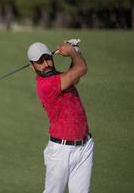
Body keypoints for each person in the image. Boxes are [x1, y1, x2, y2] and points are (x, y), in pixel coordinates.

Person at [27, 41, 94, 193]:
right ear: (32, 66)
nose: (46, 64)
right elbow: (82, 68)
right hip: (61, 151)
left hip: (85, 146)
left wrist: (76, 53)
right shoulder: (45, 85)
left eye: (47, 58)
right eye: (40, 62)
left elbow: (74, 77)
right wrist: (72, 52)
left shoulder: (58, 77)